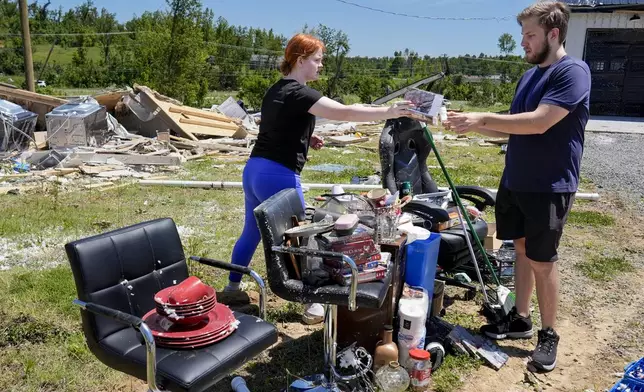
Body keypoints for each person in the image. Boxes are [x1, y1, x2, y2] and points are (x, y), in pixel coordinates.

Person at [224, 33, 414, 325]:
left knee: (251, 231)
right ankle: (314, 305)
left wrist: (307, 136)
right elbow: (345, 111)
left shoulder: (278, 90)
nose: (321, 65)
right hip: (278, 174)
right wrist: (388, 111)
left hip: (254, 171)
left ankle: (232, 288)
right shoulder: (301, 93)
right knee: (306, 237)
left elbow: (278, 124)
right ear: (300, 60)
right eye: (317, 59)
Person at [443, 1, 590, 372]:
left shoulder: (573, 72)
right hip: (516, 180)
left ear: (553, 34)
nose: (522, 42)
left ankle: (549, 333)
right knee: (521, 250)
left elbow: (541, 122)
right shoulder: (529, 76)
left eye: (530, 34)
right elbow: (513, 125)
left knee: (542, 261)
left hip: (549, 185)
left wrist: (483, 117)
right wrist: (471, 124)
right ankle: (520, 319)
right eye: (522, 34)